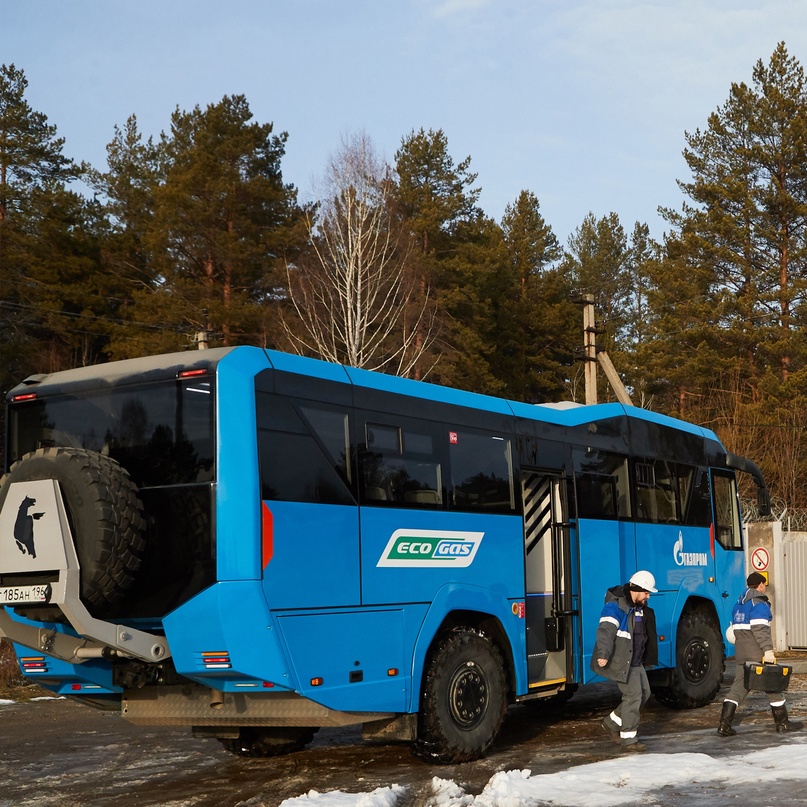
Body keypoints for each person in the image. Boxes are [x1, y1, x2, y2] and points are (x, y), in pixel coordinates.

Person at [717, 571, 802, 736]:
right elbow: (761, 631)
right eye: (764, 584)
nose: (765, 587)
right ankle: (782, 723)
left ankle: (724, 725)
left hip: (741, 654)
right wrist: (768, 651)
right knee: (772, 686)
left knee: (739, 687)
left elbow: (735, 631)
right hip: (756, 653)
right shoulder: (758, 605)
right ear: (760, 585)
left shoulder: (738, 605)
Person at [592, 570, 659, 752]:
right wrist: (603, 654)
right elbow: (605, 632)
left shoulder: (638, 608)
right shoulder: (615, 607)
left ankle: (611, 722)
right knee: (633, 697)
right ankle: (629, 739)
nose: (648, 597)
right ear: (636, 589)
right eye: (646, 593)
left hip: (635, 661)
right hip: (621, 660)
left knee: (644, 693)